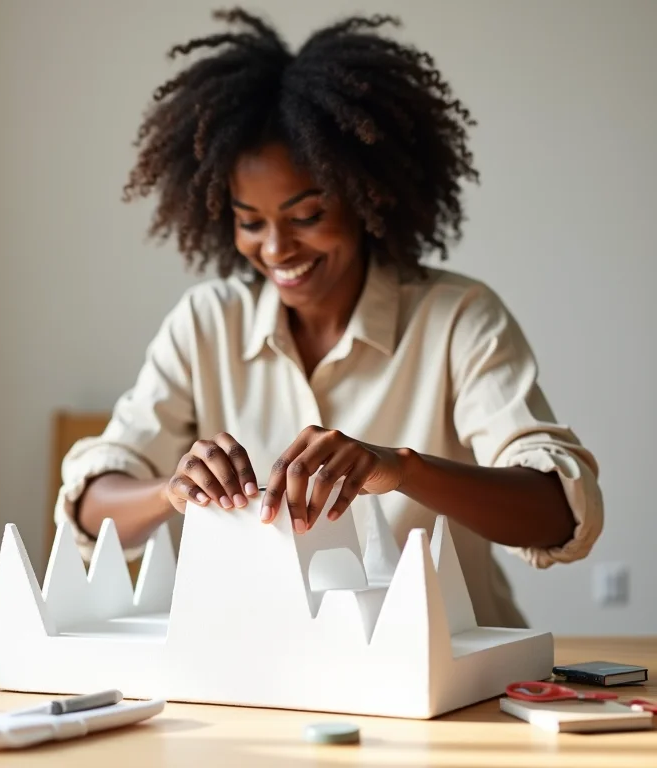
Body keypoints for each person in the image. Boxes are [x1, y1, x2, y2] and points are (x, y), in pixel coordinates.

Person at [54, 9, 603, 628]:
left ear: (369, 196)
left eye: (307, 215)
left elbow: (558, 511)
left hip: (450, 679)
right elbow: (91, 504)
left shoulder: (458, 319)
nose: (276, 249)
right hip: (262, 679)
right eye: (250, 221)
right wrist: (170, 491)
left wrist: (399, 469)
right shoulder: (205, 324)